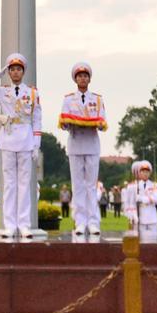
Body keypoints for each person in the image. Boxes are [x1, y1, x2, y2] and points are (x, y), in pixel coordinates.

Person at [0, 53, 43, 239]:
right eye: (12, 69)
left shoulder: (32, 93)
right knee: (9, 184)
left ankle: (23, 224)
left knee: (24, 184)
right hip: (7, 138)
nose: (15, 72)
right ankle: (10, 225)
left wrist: (36, 143)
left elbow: (37, 119)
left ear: (23, 72)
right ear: (9, 72)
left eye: (18, 69)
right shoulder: (2, 91)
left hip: (25, 138)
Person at [58, 62, 107, 240]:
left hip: (92, 143)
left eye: (85, 76)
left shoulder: (98, 99)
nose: (82, 78)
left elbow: (102, 122)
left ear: (89, 78)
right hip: (76, 142)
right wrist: (69, 123)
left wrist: (97, 123)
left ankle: (93, 221)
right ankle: (80, 221)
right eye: (79, 76)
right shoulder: (69, 99)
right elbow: (63, 122)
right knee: (78, 185)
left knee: (91, 186)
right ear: (75, 79)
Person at [127, 160, 157, 243]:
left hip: (152, 217)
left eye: (147, 171)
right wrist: (132, 216)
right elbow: (130, 203)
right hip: (140, 218)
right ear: (139, 173)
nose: (145, 173)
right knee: (141, 243)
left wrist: (143, 199)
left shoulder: (154, 185)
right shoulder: (134, 186)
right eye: (143, 171)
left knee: (152, 242)